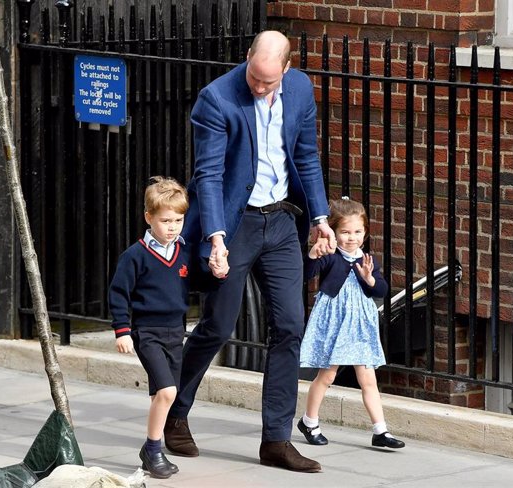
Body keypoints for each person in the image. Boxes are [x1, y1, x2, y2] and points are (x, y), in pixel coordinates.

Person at [163, 30, 336, 473]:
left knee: (290, 326)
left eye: (269, 82)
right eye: (255, 79)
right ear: (247, 59)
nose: (259, 88)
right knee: (218, 326)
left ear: (287, 68)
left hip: (281, 221)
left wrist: (319, 218)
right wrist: (215, 237)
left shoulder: (299, 89)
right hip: (236, 225)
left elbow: (308, 156)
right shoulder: (216, 99)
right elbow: (210, 175)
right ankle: (173, 410)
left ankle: (275, 441)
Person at [297, 197, 405, 450]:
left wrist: (369, 279)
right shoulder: (330, 255)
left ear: (365, 233)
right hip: (335, 322)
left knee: (368, 379)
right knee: (327, 375)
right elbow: (306, 274)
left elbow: (382, 289)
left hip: (360, 325)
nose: (351, 237)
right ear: (333, 232)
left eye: (357, 231)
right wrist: (313, 253)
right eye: (345, 232)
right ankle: (309, 421)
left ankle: (381, 431)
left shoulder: (367, 260)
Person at [108, 176, 191, 479]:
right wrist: (122, 330)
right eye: (166, 220)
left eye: (179, 220)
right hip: (148, 333)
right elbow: (118, 293)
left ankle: (152, 450)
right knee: (167, 392)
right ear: (149, 217)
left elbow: (197, 283)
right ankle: (153, 449)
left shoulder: (184, 252)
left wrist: (218, 271)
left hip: (175, 333)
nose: (173, 226)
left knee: (164, 394)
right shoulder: (136, 255)